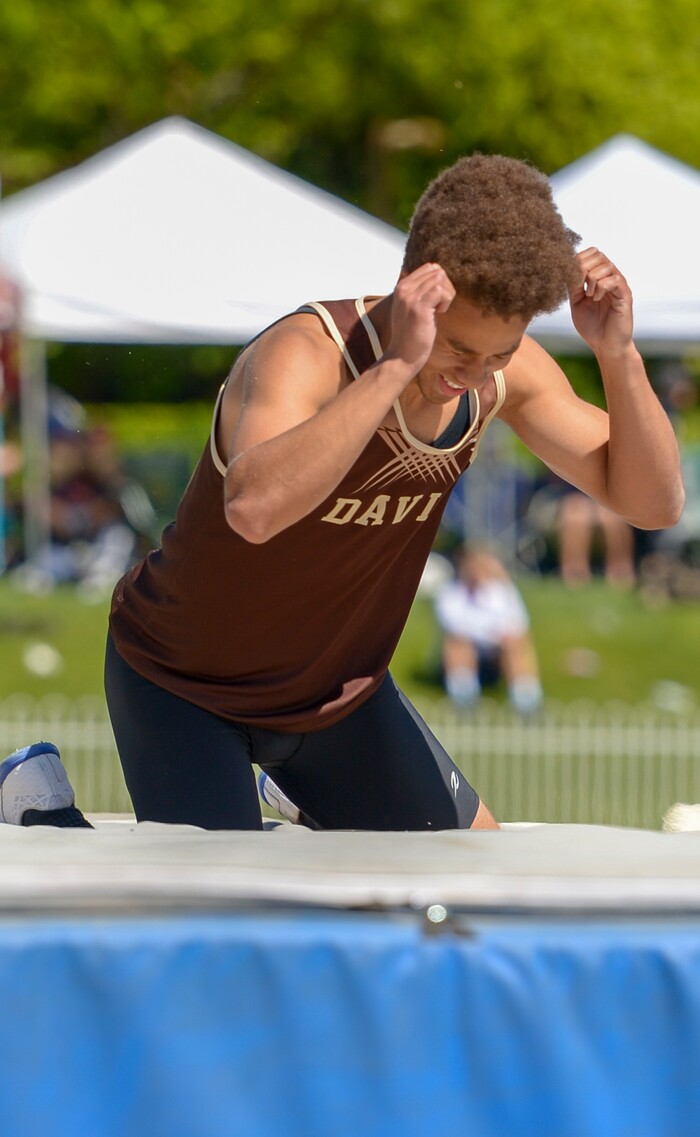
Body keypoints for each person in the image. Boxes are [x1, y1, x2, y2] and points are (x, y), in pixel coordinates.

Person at [104, 152, 685, 833]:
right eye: (458, 349)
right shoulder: (308, 352)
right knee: (228, 915)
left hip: (337, 700)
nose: (471, 376)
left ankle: (308, 798)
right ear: (415, 286)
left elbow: (653, 504)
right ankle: (40, 810)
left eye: (497, 354)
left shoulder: (504, 372)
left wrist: (619, 355)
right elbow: (254, 509)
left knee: (474, 865)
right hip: (183, 683)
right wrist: (398, 367)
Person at [435, 545, 543, 714]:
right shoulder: (451, 593)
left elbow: (518, 624)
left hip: (496, 650)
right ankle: (464, 697)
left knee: (515, 642)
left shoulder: (502, 592)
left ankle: (526, 699)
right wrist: (489, 634)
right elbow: (455, 627)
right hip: (467, 648)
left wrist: (499, 637)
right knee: (459, 643)